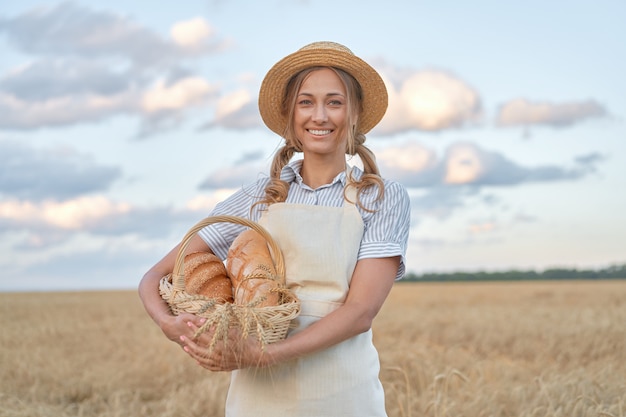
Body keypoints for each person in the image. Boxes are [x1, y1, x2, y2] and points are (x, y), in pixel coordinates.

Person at [138, 41, 411, 417]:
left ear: (354, 113)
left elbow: (361, 311)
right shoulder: (258, 196)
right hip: (259, 399)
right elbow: (156, 275)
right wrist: (168, 323)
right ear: (290, 114)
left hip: (342, 392)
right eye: (305, 102)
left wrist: (262, 355)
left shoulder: (380, 197)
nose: (320, 116)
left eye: (334, 102)